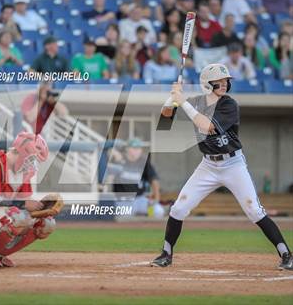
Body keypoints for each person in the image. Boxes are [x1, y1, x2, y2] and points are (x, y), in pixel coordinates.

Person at [151, 63, 293, 271]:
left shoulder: (229, 105)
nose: (224, 84)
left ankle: (287, 254)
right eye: (219, 81)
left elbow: (207, 127)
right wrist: (173, 96)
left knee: (254, 211)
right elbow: (164, 119)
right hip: (208, 165)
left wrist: (183, 102)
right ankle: (166, 254)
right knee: (179, 208)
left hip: (233, 164)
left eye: (226, 81)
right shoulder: (196, 103)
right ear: (207, 84)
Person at [0, 132, 57, 269]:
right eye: (32, 158)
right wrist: (24, 204)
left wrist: (42, 208)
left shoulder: (24, 172)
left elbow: (26, 203)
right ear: (22, 152)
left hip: (1, 211)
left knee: (46, 223)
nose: (33, 164)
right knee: (17, 217)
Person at [112, 138, 163, 217]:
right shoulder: (119, 160)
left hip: (140, 199)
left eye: (139, 149)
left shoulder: (143, 162)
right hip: (123, 200)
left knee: (158, 211)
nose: (137, 151)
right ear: (127, 149)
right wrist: (114, 157)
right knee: (123, 216)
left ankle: (147, 227)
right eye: (134, 148)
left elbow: (154, 179)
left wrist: (156, 198)